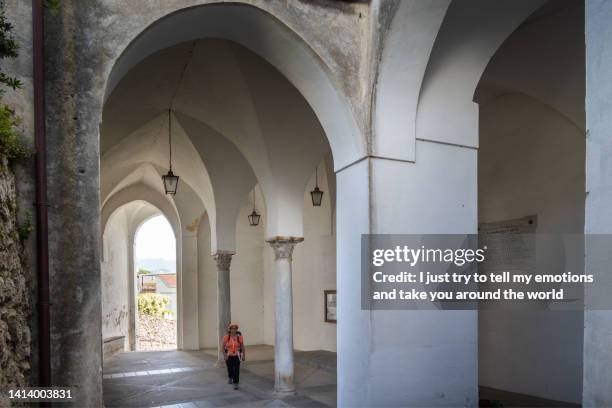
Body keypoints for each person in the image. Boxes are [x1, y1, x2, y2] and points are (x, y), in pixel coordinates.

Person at [223, 323, 245, 389]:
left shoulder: (239, 337)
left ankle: (236, 383)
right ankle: (230, 377)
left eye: (235, 328)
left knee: (236, 370)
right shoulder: (226, 337)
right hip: (229, 355)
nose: (234, 330)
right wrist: (224, 355)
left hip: (237, 355)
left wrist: (244, 355)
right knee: (230, 369)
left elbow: (242, 346)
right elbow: (223, 347)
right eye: (232, 328)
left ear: (237, 329)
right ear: (230, 329)